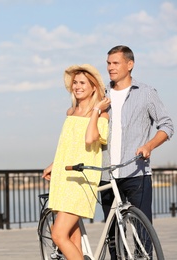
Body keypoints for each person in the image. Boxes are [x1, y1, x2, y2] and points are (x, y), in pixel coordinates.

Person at [101, 45, 174, 259]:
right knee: (113, 238)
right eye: (108, 63)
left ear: (129, 64)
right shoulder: (101, 93)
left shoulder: (146, 93)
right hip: (107, 175)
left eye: (115, 63)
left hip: (136, 172)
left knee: (142, 235)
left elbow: (167, 125)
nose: (110, 68)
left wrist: (149, 145)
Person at [42, 64, 111, 260]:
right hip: (64, 176)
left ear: (93, 87)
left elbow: (90, 139)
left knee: (58, 234)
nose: (77, 86)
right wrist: (54, 165)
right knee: (71, 236)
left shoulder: (101, 115)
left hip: (82, 178)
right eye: (75, 82)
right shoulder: (70, 113)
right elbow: (68, 147)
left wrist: (97, 109)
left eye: (82, 83)